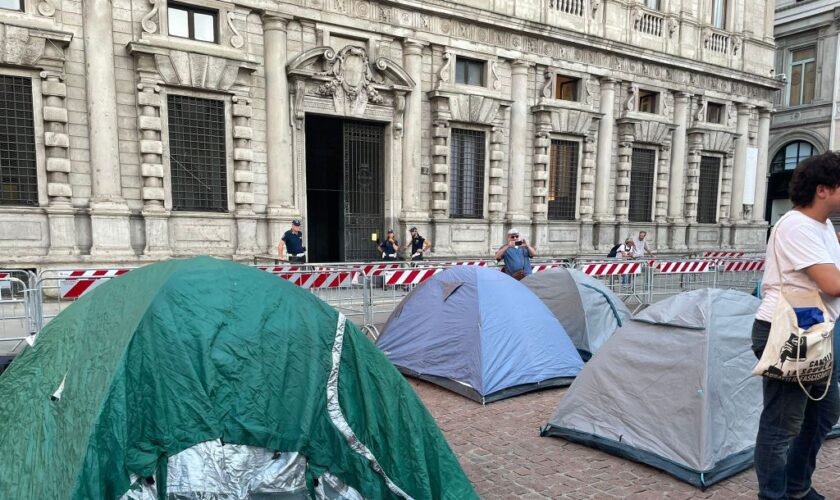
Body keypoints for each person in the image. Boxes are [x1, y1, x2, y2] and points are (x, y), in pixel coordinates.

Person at [751, 152, 840, 500]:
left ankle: (797, 487)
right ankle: (774, 495)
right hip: (785, 331)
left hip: (819, 331)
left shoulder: (824, 225)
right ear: (823, 189)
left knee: (823, 414)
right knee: (781, 424)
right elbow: (832, 283)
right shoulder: (794, 225)